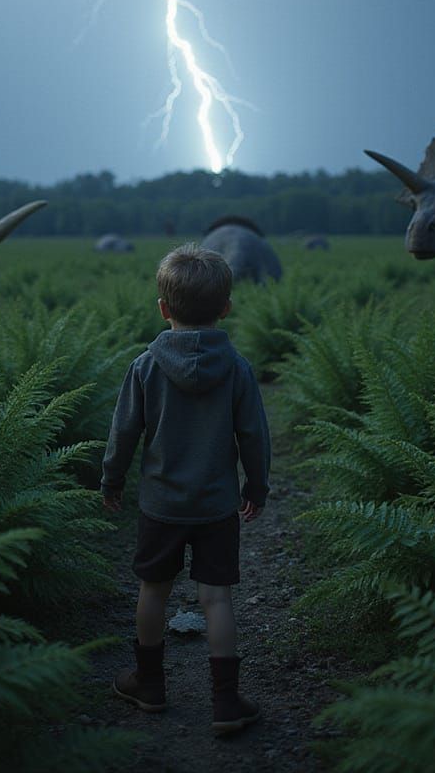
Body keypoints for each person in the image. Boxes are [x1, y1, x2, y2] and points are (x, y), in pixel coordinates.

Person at [101, 243, 272, 735]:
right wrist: (255, 487)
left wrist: (112, 481)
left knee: (153, 591)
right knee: (216, 599)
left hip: (160, 505)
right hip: (216, 505)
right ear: (225, 308)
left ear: (162, 308)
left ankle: (149, 685)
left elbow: (124, 433)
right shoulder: (237, 368)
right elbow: (254, 435)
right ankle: (225, 702)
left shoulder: (146, 367)